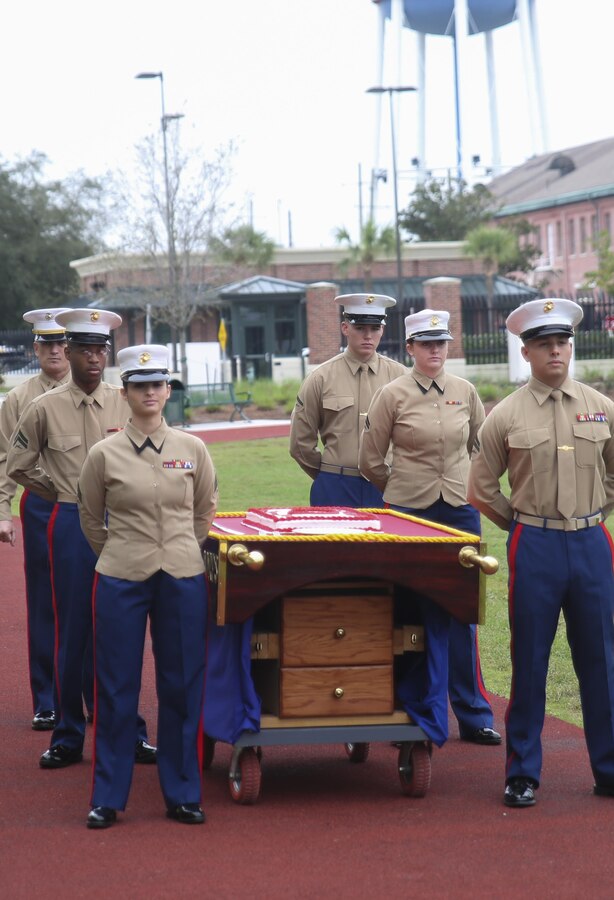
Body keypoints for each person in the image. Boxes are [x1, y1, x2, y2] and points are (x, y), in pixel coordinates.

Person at [468, 297, 614, 807]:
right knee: (529, 659)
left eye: (563, 342)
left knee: (601, 659)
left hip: (593, 542)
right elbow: (482, 486)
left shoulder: (601, 406)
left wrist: (596, 511)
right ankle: (523, 773)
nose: (556, 351)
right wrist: (524, 525)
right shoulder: (504, 415)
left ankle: (609, 768)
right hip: (536, 545)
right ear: (526, 352)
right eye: (545, 344)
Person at [7, 309, 155, 770]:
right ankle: (68, 733)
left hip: (122, 524)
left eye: (101, 350)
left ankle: (128, 731)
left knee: (122, 631)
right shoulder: (43, 407)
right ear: (66, 352)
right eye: (85, 349)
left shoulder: (124, 400)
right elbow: (17, 464)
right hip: (71, 523)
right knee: (72, 631)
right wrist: (59, 492)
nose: (94, 358)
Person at [78, 344, 218, 829]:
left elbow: (204, 511)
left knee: (181, 687)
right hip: (121, 576)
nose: (151, 393)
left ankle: (182, 792)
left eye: (158, 384)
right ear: (126, 392)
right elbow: (91, 517)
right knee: (116, 689)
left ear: (168, 389)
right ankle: (109, 796)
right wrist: (122, 551)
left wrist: (179, 547)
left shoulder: (192, 449)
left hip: (181, 576)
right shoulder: (104, 454)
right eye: (141, 386)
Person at [359, 309, 501, 746]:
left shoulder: (465, 390)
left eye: (441, 342)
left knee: (463, 614)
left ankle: (473, 714)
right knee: (408, 611)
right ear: (410, 349)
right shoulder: (391, 394)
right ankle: (409, 711)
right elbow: (369, 460)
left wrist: (467, 486)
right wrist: (402, 490)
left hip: (459, 511)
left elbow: (482, 445)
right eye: (426, 343)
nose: (435, 350)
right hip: (409, 515)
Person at [0, 309, 71, 731]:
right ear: (36, 349)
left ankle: (87, 694)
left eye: (62, 343)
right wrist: (3, 512)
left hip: (89, 507)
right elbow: (5, 459)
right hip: (42, 503)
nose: (56, 350)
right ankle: (46, 699)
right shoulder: (19, 398)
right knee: (45, 603)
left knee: (92, 601)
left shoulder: (99, 390)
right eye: (47, 343)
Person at [289, 292, 407, 506]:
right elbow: (300, 444)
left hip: (387, 487)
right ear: (345, 328)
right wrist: (329, 474)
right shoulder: (321, 378)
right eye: (360, 328)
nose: (368, 336)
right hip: (335, 485)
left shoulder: (401, 378)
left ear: (383, 330)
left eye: (374, 328)